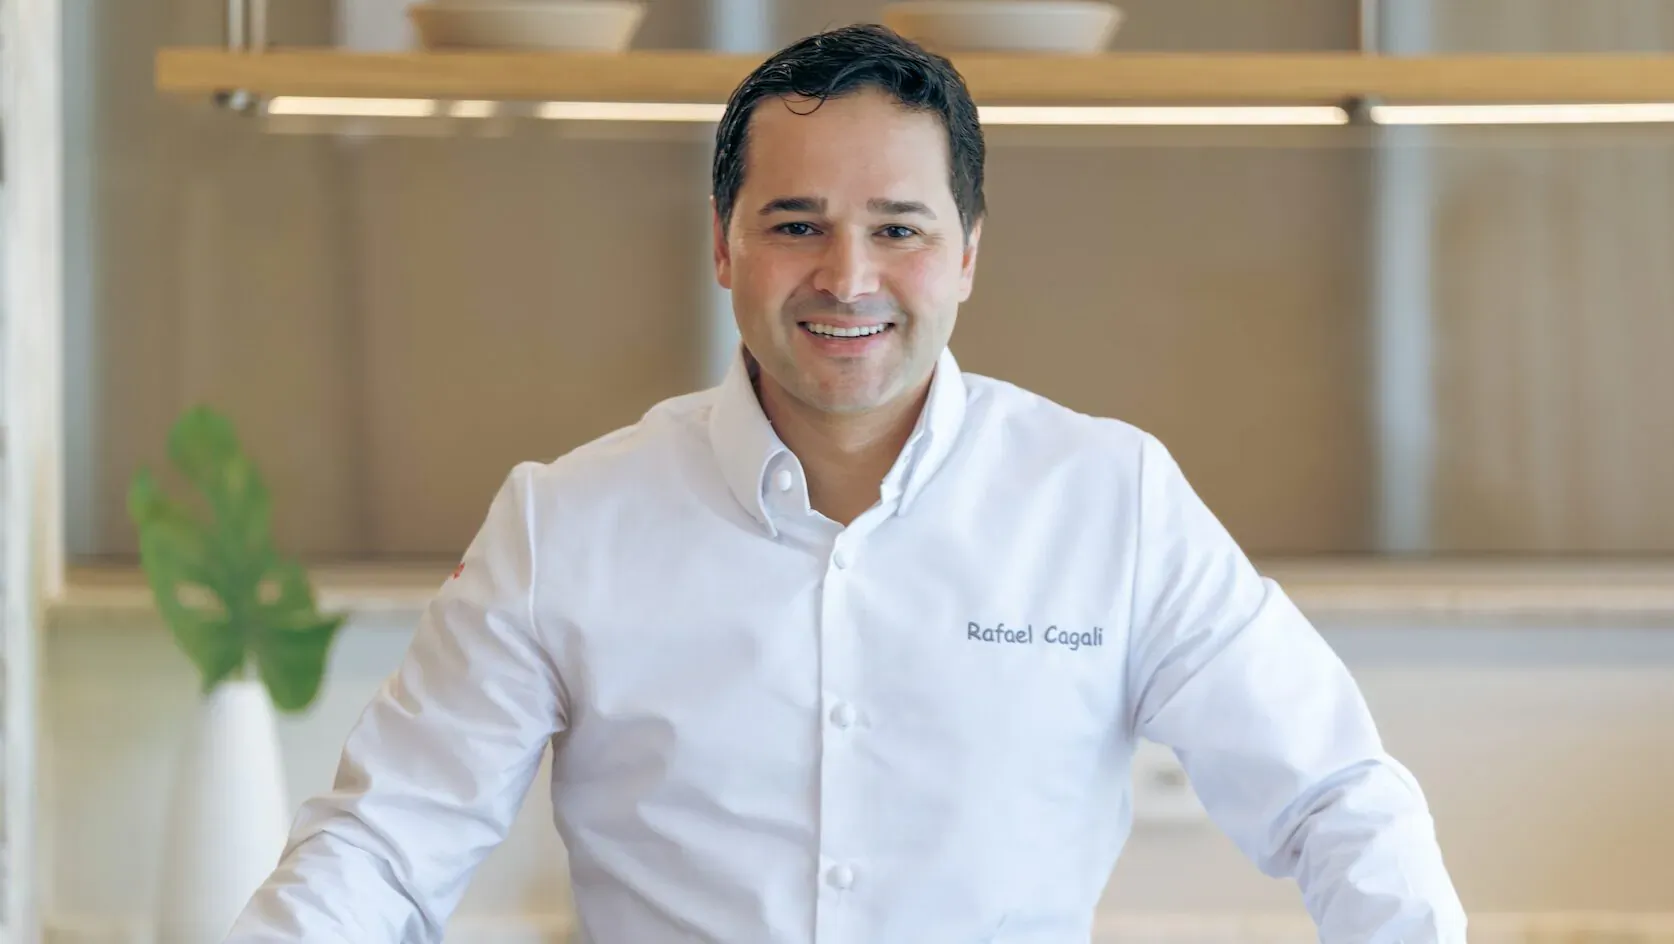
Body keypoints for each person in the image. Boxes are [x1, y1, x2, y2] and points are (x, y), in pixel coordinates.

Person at [226, 23, 1467, 944]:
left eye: (900, 228)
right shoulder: (566, 522)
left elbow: (1334, 793)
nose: (849, 275)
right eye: (797, 222)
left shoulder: (1109, 499)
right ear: (722, 244)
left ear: (969, 254)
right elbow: (384, 845)